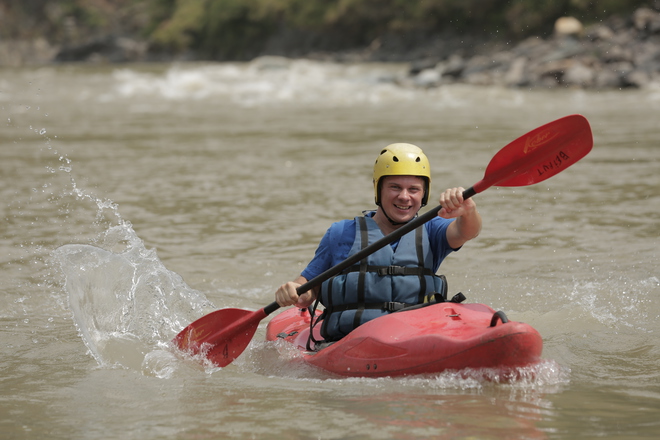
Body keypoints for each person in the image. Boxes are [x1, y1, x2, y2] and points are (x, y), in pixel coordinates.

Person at [275, 143, 482, 342]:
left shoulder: (432, 228)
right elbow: (307, 291)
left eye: (414, 189)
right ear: (378, 189)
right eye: (394, 187)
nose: (404, 197)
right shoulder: (341, 233)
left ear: (424, 193)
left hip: (414, 337)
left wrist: (468, 211)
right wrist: (292, 291)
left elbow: (467, 231)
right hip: (350, 342)